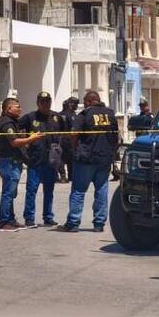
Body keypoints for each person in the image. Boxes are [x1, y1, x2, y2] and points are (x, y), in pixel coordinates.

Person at [58, 91, 118, 233]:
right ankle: (99, 223)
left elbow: (74, 134)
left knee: (78, 190)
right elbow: (116, 137)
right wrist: (111, 152)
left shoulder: (84, 115)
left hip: (86, 158)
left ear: (89, 102)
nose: (83, 105)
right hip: (104, 159)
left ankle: (73, 223)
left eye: (84, 102)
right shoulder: (110, 114)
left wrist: (74, 149)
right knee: (102, 190)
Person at [0, 97, 43, 232]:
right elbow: (14, 142)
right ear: (8, 109)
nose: (20, 109)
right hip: (8, 161)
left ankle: (10, 219)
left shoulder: (13, 122)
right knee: (8, 192)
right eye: (17, 107)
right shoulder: (6, 123)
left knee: (11, 192)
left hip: (14, 161)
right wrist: (31, 139)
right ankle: (3, 222)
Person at [19, 91, 62, 227]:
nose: (45, 104)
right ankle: (29, 218)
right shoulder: (30, 118)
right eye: (42, 101)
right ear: (38, 103)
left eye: (47, 101)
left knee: (49, 190)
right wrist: (24, 152)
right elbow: (17, 131)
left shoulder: (56, 117)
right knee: (32, 190)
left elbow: (66, 134)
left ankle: (48, 217)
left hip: (51, 161)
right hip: (35, 160)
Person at [58, 96, 80, 183]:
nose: (77, 106)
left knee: (61, 158)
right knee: (71, 157)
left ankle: (63, 175)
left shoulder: (58, 114)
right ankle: (70, 175)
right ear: (71, 105)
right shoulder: (72, 115)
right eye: (76, 104)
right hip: (69, 139)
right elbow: (74, 127)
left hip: (60, 138)